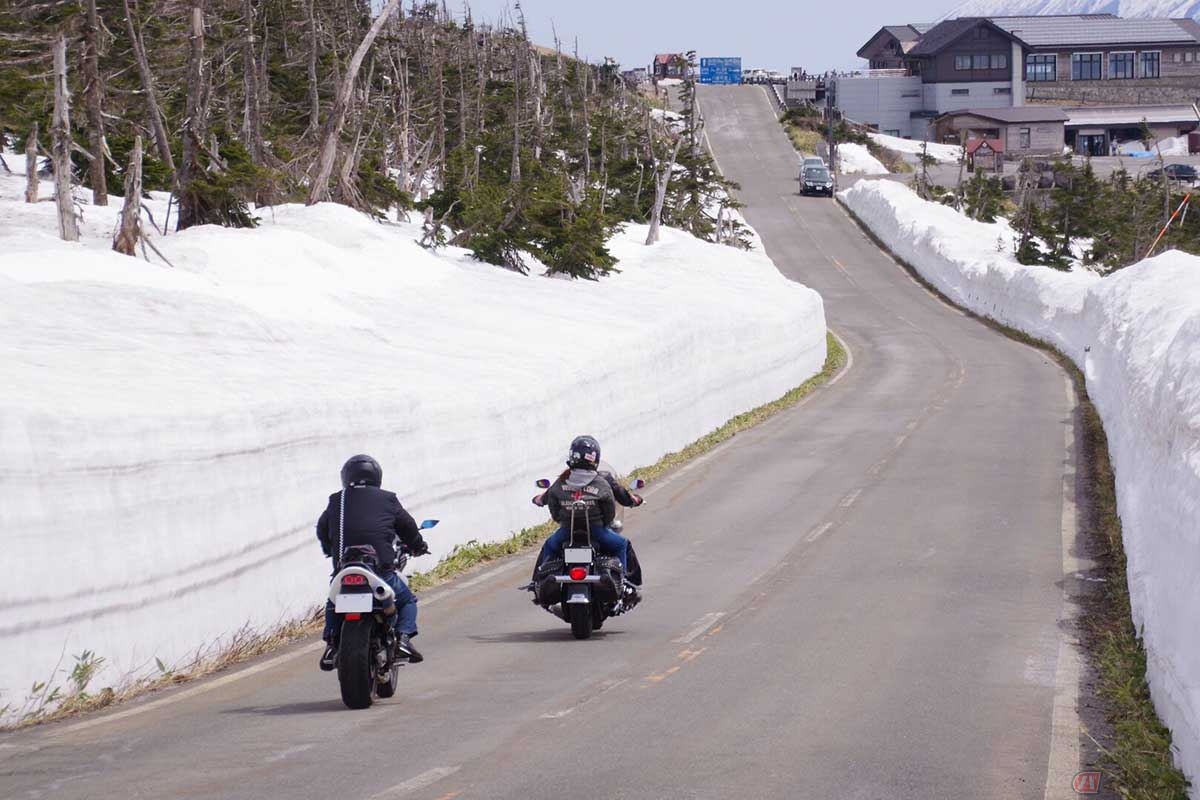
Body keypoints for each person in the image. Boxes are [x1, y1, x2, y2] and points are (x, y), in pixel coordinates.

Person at [316, 454, 429, 671]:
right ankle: (403, 639)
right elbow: (407, 526)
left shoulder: (336, 500)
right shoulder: (387, 498)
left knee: (333, 602)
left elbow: (322, 529)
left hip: (345, 568)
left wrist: (329, 550)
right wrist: (418, 546)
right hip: (380, 571)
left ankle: (331, 644)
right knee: (407, 601)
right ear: (377, 476)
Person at [532, 435, 643, 584]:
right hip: (597, 531)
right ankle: (622, 581)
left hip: (567, 531)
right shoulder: (603, 480)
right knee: (622, 544)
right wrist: (605, 521)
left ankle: (538, 582)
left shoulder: (562, 479)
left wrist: (559, 517)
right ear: (595, 458)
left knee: (549, 546)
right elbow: (610, 507)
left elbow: (551, 501)